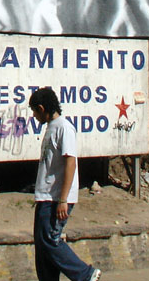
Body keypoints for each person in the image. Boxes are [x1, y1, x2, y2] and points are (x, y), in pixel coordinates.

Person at [29, 87, 101, 281]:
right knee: (42, 247)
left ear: (42, 108)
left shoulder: (64, 127)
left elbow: (71, 161)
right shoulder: (51, 127)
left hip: (56, 198)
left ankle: (86, 274)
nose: (34, 116)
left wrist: (63, 199)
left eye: (35, 111)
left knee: (49, 240)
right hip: (44, 196)